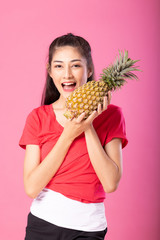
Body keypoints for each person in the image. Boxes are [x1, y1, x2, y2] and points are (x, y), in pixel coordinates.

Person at [19, 33, 128, 240]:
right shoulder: (38, 117)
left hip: (89, 228)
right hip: (43, 224)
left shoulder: (112, 115)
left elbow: (110, 183)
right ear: (50, 71)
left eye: (76, 65)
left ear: (89, 70)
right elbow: (32, 188)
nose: (67, 74)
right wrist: (68, 135)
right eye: (59, 66)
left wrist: (87, 124)